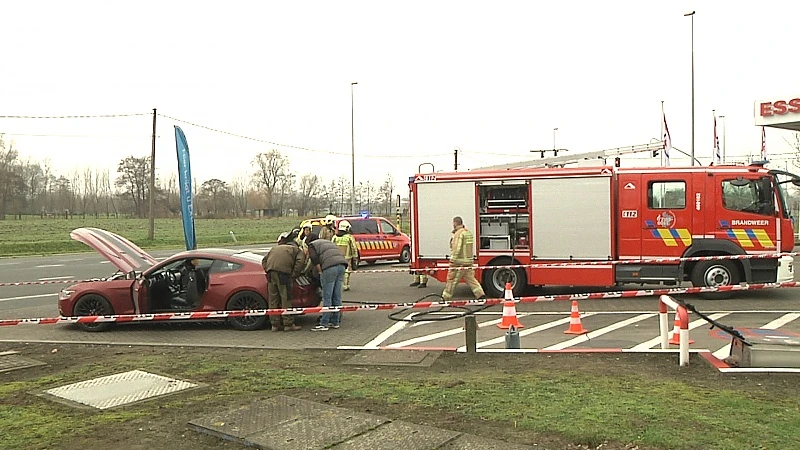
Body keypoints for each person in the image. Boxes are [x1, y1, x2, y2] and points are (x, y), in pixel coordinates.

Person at [261, 231, 306, 332]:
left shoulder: (274, 248)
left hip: (270, 274)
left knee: (273, 300)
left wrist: (268, 270)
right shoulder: (296, 250)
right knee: (286, 299)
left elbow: (264, 260)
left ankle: (275, 325)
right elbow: (300, 262)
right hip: (284, 275)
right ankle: (288, 324)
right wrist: (293, 275)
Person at [306, 233, 348, 331]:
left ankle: (324, 323)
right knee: (337, 296)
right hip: (342, 265)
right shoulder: (327, 242)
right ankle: (335, 321)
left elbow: (314, 259)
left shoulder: (312, 245)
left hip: (329, 268)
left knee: (327, 297)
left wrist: (320, 271)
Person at [441, 216, 486, 301]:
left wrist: (452, 260)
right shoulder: (468, 232)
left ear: (455, 223)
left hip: (459, 262)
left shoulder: (458, 234)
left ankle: (445, 297)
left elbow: (456, 248)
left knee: (452, 280)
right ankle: (480, 295)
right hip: (468, 261)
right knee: (471, 279)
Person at [332, 219, 359, 291]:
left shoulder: (335, 237)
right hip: (347, 257)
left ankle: (336, 285)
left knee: (337, 272)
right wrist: (355, 256)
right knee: (347, 271)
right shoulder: (349, 237)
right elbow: (353, 247)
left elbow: (331, 246)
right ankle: (345, 285)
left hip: (337, 257)